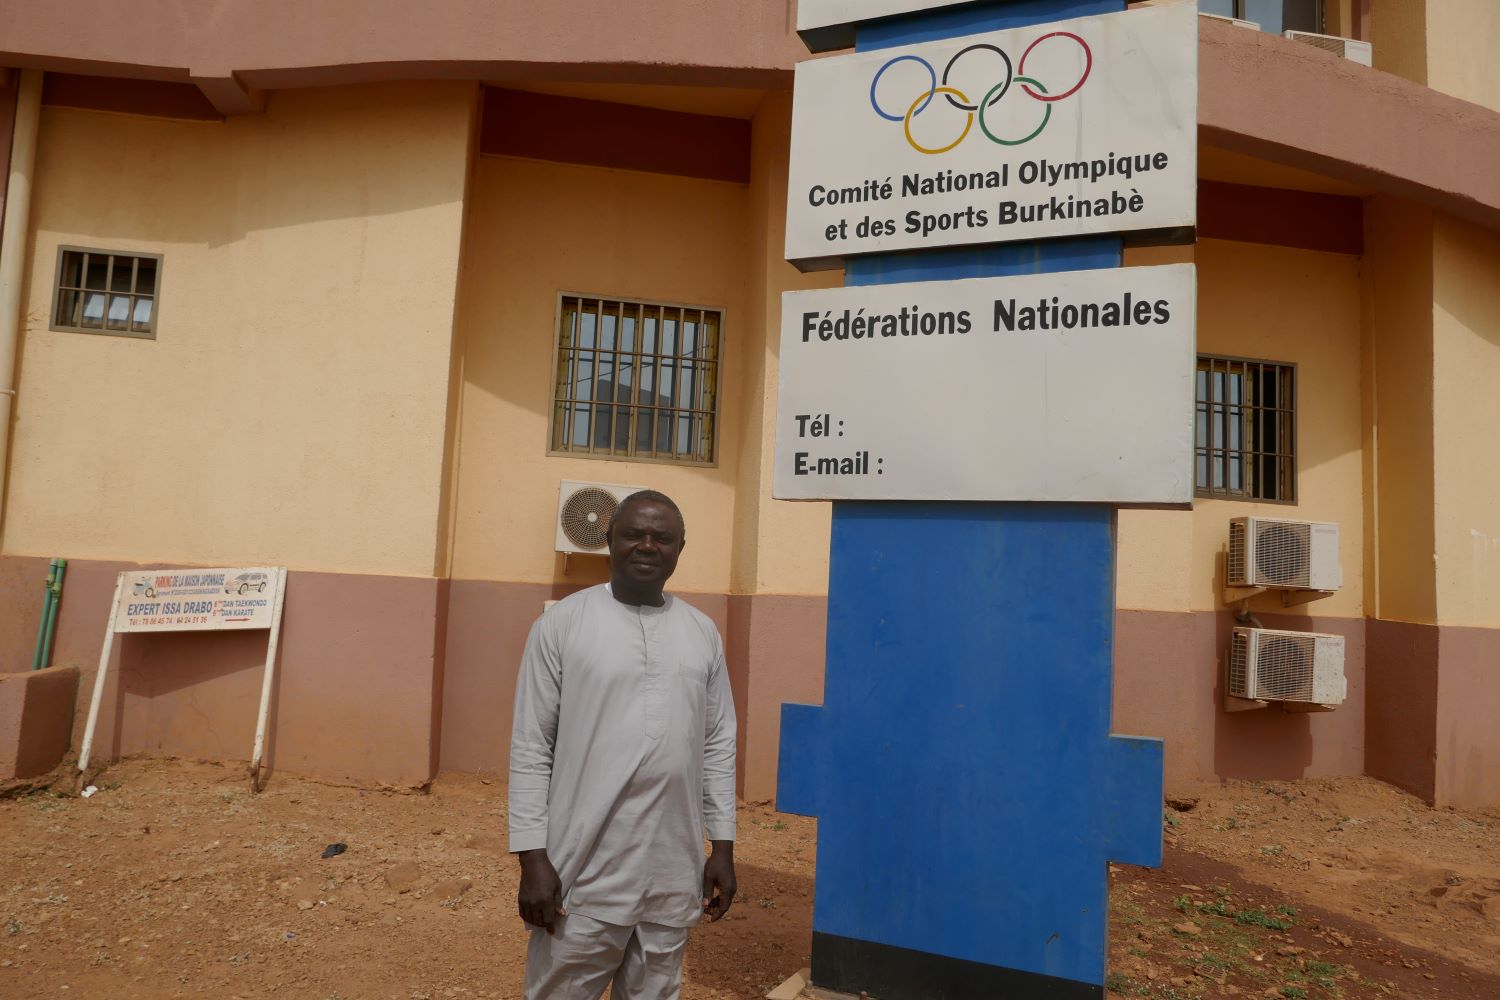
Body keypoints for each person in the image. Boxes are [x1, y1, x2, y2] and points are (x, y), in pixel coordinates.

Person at [509, 489, 737, 1000]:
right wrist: (532, 859)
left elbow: (719, 743)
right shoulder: (562, 624)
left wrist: (721, 845)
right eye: (633, 534)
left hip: (671, 871)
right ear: (609, 541)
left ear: (681, 548)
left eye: (663, 538)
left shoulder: (702, 632)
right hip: (582, 873)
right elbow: (530, 745)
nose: (647, 546)